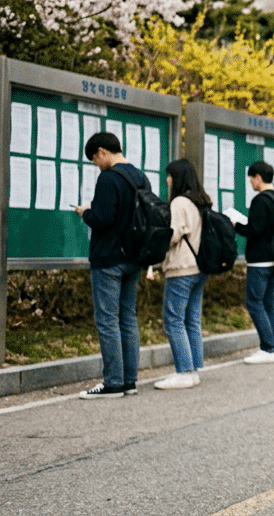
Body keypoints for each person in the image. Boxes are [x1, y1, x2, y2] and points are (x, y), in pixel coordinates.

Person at [75, 131, 148, 399]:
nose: (96, 163)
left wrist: (86, 213)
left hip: (108, 258)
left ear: (103, 152)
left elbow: (103, 219)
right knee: (128, 317)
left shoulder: (109, 178)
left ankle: (113, 382)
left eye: (95, 158)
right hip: (133, 257)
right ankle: (129, 380)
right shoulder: (140, 177)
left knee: (107, 320)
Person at [154, 159, 211, 389]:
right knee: (192, 319)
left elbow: (173, 235)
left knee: (173, 320)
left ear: (176, 177)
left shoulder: (179, 202)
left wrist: (154, 247)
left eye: (169, 176)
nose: (167, 180)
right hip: (200, 267)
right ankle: (193, 368)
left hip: (181, 268)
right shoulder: (201, 201)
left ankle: (185, 372)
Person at [235, 160, 274, 365]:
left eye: (251, 180)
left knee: (254, 303)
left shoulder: (260, 200)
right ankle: (271, 346)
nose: (251, 184)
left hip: (259, 261)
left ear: (258, 178)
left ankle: (267, 348)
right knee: (268, 303)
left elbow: (254, 230)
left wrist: (236, 225)